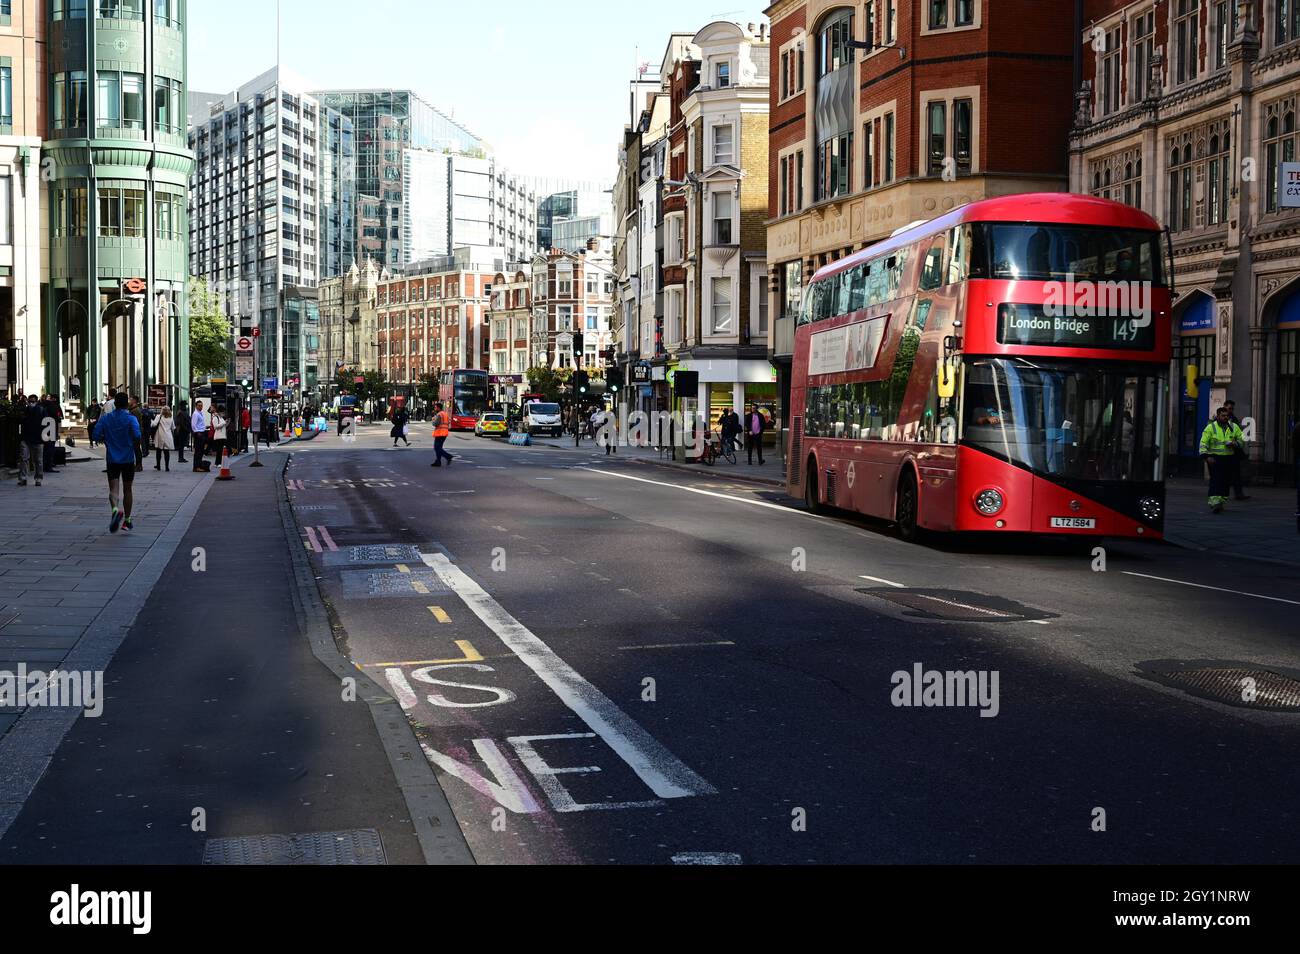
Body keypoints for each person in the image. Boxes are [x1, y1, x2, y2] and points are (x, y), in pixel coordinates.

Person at [92, 392, 141, 533]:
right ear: (126, 403)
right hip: (127, 458)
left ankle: (115, 509)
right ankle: (127, 520)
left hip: (112, 458)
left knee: (113, 488)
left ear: (115, 404)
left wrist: (104, 437)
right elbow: (137, 435)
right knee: (128, 489)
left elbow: (95, 434)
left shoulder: (106, 418)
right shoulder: (131, 419)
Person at [1199, 405, 1244, 514]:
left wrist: (1235, 443)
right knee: (1215, 480)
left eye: (1226, 415)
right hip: (1214, 458)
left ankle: (1221, 502)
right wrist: (1206, 456)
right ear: (1218, 416)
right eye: (1223, 415)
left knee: (1226, 481)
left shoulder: (1234, 427)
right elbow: (1203, 443)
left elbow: (1241, 441)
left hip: (1229, 458)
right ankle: (1215, 503)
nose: (1225, 417)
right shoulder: (1211, 427)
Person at [17, 394, 45, 487]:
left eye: (33, 401)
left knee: (38, 460)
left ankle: (38, 478)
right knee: (24, 458)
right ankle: (24, 478)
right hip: (27, 438)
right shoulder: (24, 410)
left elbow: (46, 424)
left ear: (36, 402)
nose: (31, 403)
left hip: (37, 438)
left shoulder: (41, 410)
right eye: (30, 401)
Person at [1224, 399, 1249, 500]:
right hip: (1223, 451)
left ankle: (1239, 493)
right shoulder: (1219, 419)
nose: (1231, 410)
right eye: (1229, 408)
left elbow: (1239, 434)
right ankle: (1222, 494)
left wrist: (1237, 443)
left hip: (1233, 451)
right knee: (1225, 474)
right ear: (1224, 407)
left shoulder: (1234, 419)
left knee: (1236, 473)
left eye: (1232, 409)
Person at [41, 394, 62, 473]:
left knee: (45, 448)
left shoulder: (42, 405)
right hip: (52, 428)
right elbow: (58, 418)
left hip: (44, 428)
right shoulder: (54, 406)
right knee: (50, 449)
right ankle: (48, 466)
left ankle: (43, 465)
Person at [430, 402, 454, 467]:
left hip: (440, 433)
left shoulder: (439, 414)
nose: (434, 408)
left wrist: (433, 419)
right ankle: (438, 461)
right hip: (444, 433)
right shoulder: (445, 414)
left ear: (438, 407)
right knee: (439, 447)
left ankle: (448, 456)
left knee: (437, 448)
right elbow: (448, 422)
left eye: (435, 407)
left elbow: (435, 424)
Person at [153, 406, 176, 471]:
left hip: (160, 435)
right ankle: (167, 467)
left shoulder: (159, 416)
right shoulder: (171, 418)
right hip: (168, 436)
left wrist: (151, 421)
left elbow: (154, 424)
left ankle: (158, 466)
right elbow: (173, 427)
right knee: (166, 452)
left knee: (158, 451)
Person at [128, 396, 147, 472]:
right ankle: (138, 465)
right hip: (136, 431)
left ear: (134, 401)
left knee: (136, 449)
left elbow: (134, 422)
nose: (129, 401)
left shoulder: (135, 411)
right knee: (136, 449)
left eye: (131, 400)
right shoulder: (134, 409)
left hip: (135, 432)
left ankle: (139, 465)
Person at [209, 405, 229, 473]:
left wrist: (226, 423)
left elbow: (223, 426)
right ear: (220, 411)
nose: (224, 413)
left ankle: (217, 463)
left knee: (220, 450)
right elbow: (215, 427)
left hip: (222, 436)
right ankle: (218, 463)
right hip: (218, 436)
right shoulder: (215, 417)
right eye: (223, 412)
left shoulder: (221, 418)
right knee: (219, 450)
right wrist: (224, 423)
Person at [191, 400, 209, 471]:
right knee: (198, 451)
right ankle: (196, 467)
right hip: (199, 434)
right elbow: (193, 424)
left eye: (201, 405)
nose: (200, 407)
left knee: (201, 451)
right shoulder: (195, 414)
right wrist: (197, 432)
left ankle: (199, 465)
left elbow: (200, 424)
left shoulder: (200, 413)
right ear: (196, 406)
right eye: (199, 405)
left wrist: (205, 427)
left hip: (202, 432)